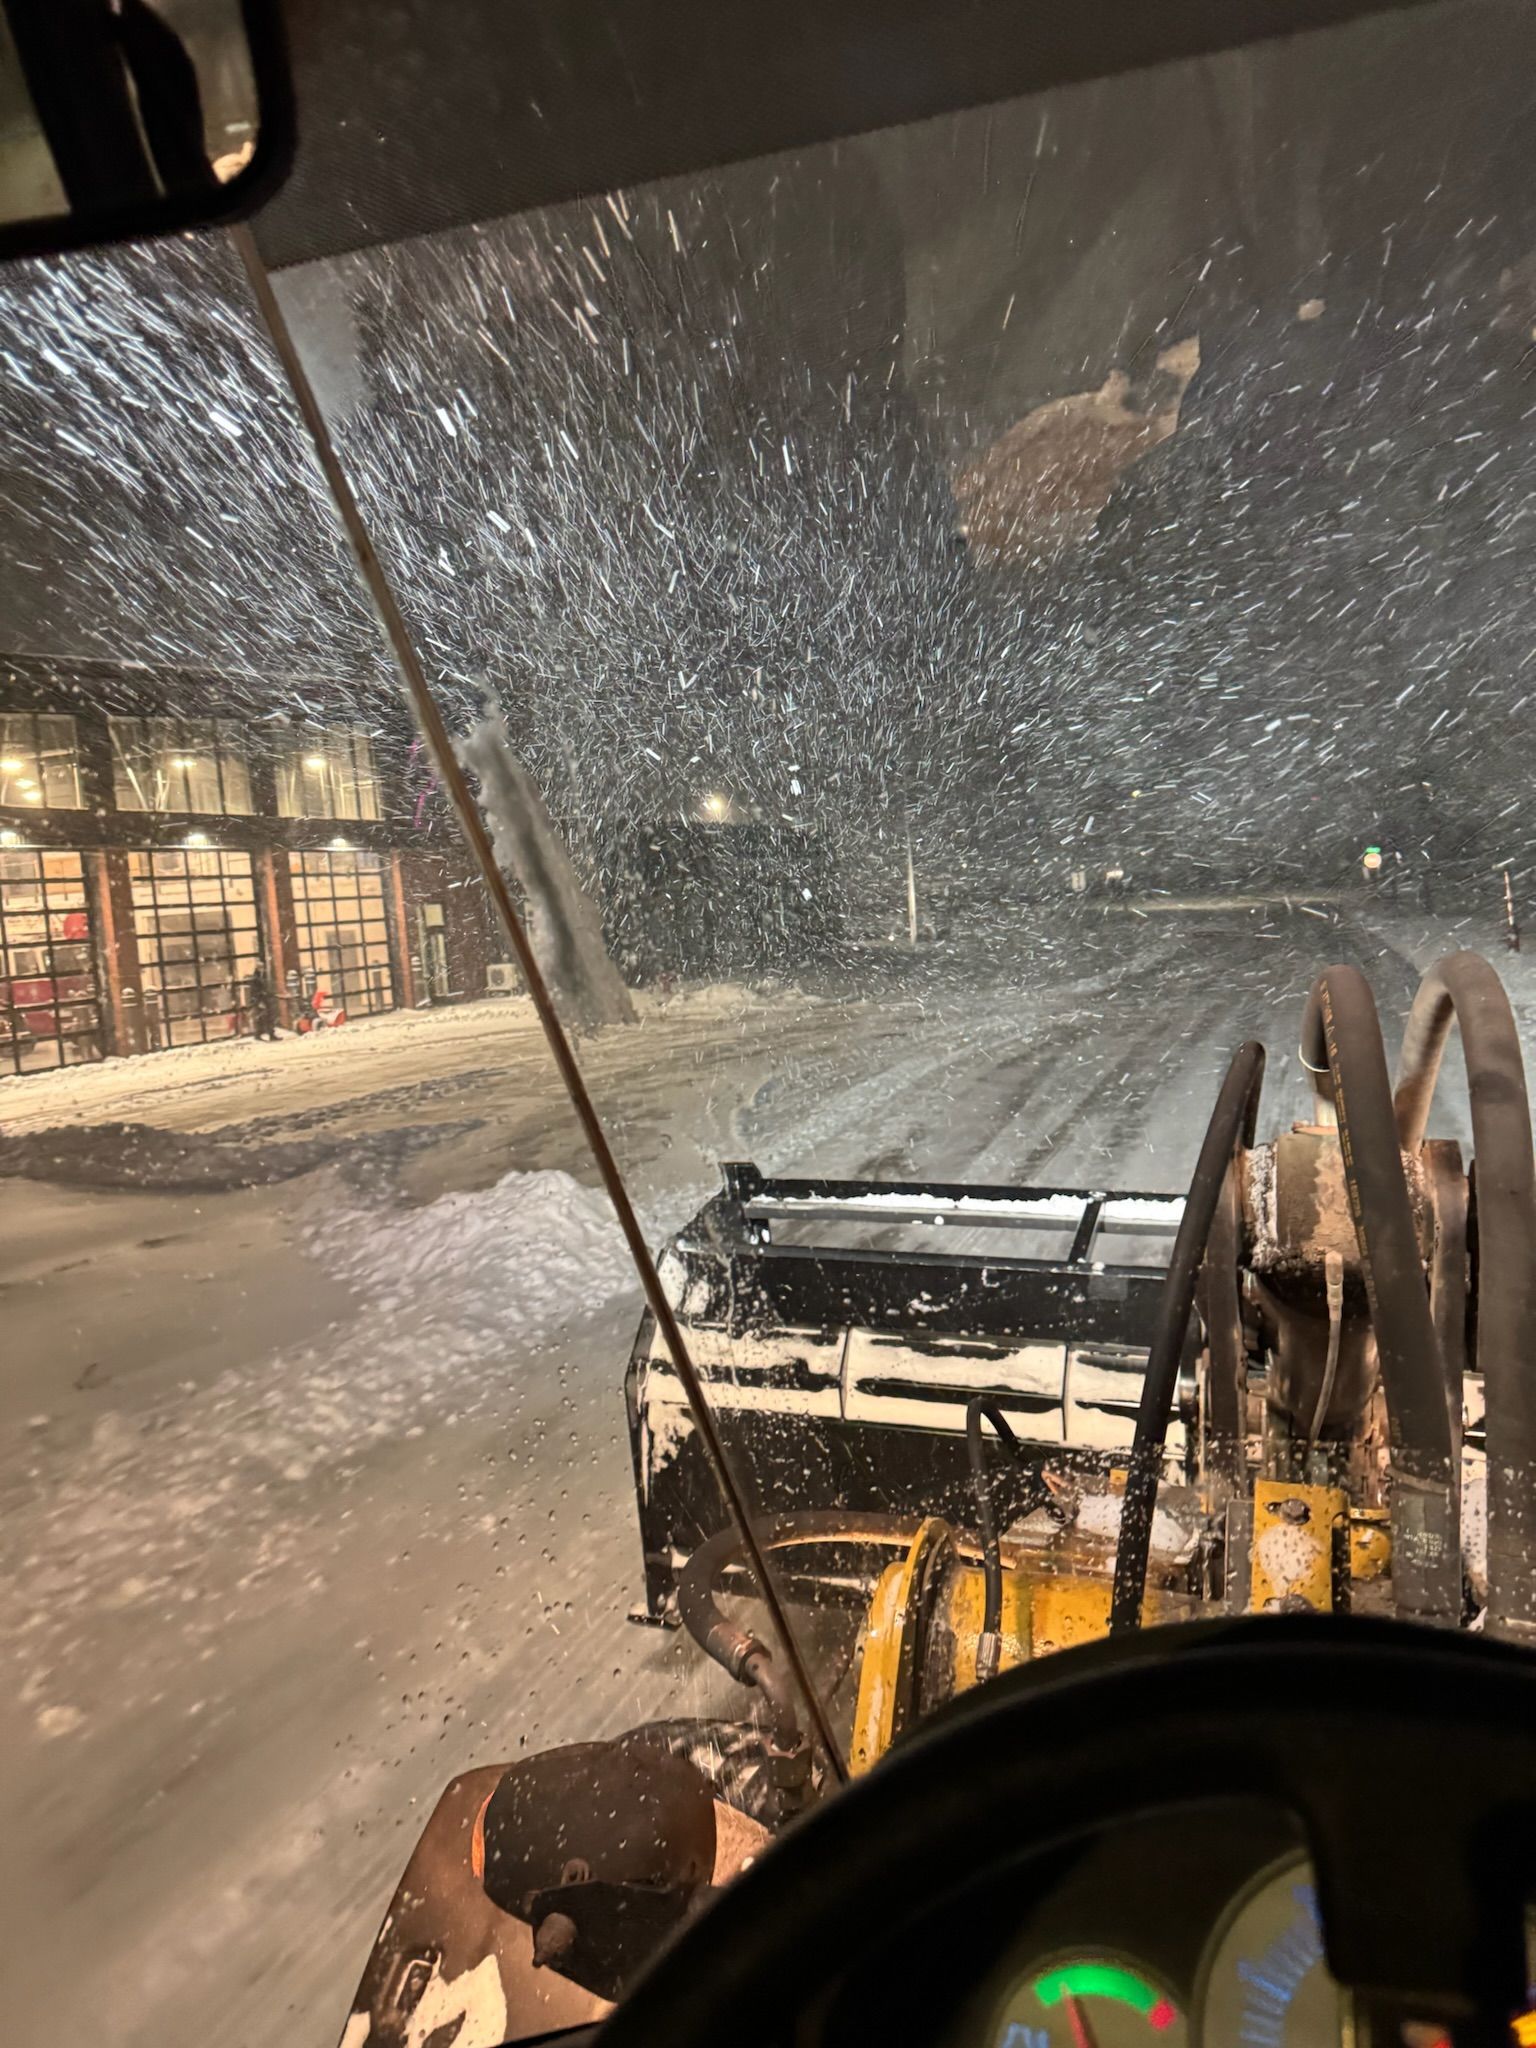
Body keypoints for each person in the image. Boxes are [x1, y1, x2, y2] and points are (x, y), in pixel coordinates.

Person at [244, 961, 278, 1041]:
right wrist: (259, 1001)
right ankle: (259, 1034)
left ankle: (269, 1034)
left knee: (266, 1017)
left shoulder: (260, 977)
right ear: (258, 968)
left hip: (264, 1000)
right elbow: (255, 991)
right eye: (261, 968)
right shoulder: (256, 979)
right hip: (260, 1001)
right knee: (262, 1018)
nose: (262, 969)